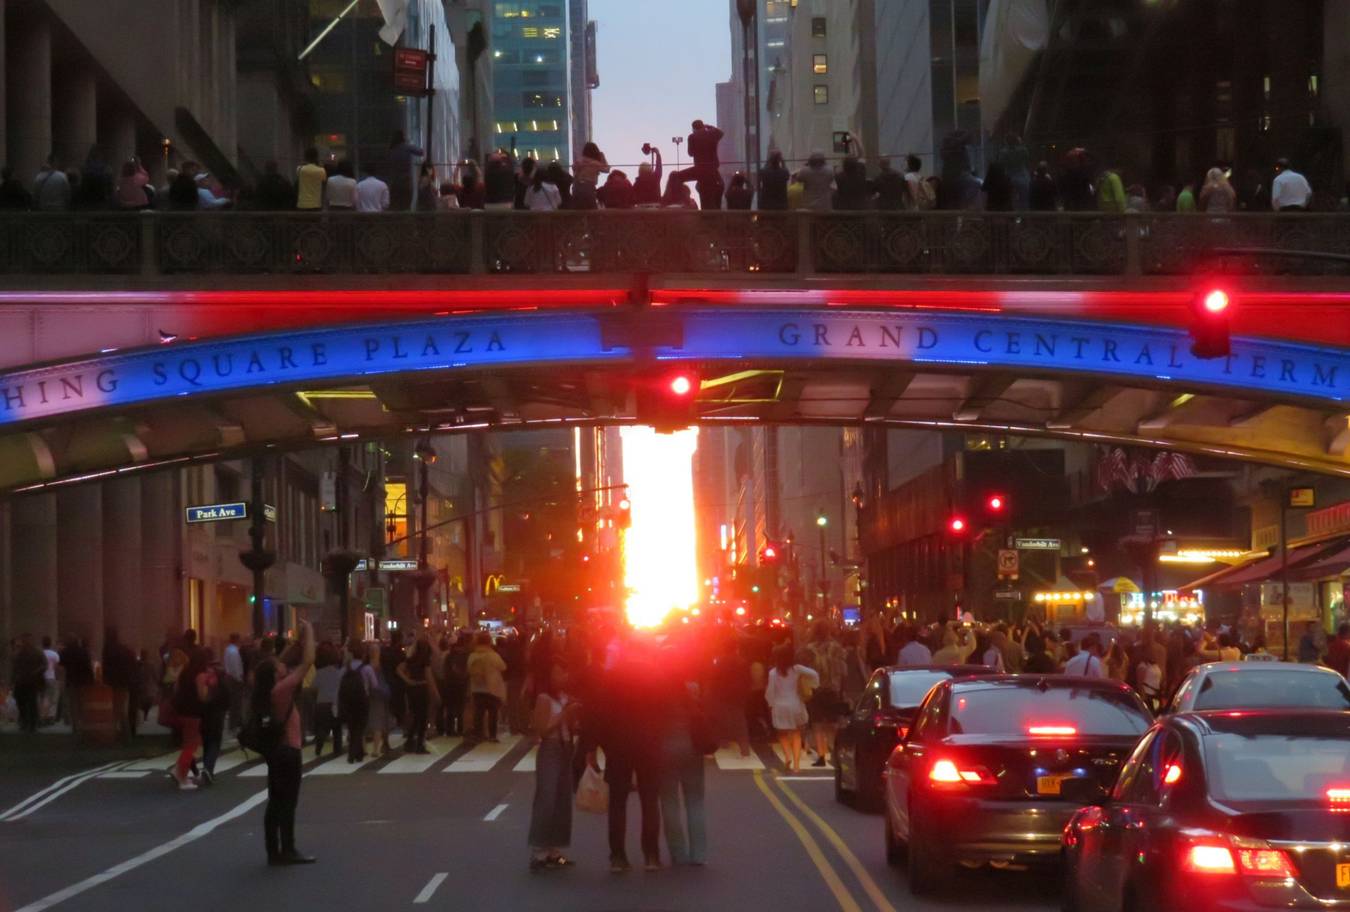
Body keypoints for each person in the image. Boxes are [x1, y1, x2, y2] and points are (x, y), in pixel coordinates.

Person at [255, 618, 316, 865]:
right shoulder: (281, 691)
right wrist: (310, 632)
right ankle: (288, 848)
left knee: (275, 800)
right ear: (274, 675)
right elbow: (307, 662)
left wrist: (297, 641)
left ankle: (273, 850)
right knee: (288, 802)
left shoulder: (267, 690)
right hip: (288, 750)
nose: (282, 666)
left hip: (275, 751)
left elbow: (284, 660)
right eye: (278, 667)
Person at [527, 654, 578, 871]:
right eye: (558, 672)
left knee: (562, 800)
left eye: (565, 672)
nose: (563, 676)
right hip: (551, 748)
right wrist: (563, 716)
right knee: (546, 799)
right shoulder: (544, 698)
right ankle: (539, 850)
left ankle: (555, 850)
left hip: (567, 748)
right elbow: (541, 729)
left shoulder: (567, 697)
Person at [659, 655, 708, 867]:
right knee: (695, 801)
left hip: (666, 749)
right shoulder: (693, 688)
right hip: (692, 748)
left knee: (669, 802)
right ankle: (699, 853)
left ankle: (678, 852)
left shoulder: (657, 692)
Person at [765, 644, 819, 774]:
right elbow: (814, 674)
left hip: (779, 706)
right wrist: (813, 685)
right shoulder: (797, 669)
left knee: (782, 734)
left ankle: (787, 757)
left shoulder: (773, 673)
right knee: (796, 735)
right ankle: (796, 765)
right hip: (795, 704)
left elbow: (770, 691)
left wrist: (770, 703)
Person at [803, 622, 847, 766]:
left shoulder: (809, 649)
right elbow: (843, 670)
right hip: (832, 689)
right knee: (832, 725)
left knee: (817, 724)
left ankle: (821, 756)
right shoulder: (836, 648)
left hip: (816, 689)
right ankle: (834, 754)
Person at [171, 648, 208, 789]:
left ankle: (180, 771)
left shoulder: (185, 671)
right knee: (191, 746)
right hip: (194, 711)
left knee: (189, 743)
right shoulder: (200, 675)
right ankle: (181, 776)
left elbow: (176, 689)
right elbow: (202, 696)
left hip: (182, 710)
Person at [398, 638, 437, 753]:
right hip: (422, 688)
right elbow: (429, 677)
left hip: (412, 689)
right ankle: (420, 744)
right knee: (422, 718)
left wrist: (408, 680)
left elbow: (399, 669)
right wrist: (434, 692)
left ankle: (410, 742)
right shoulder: (425, 661)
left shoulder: (411, 659)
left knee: (415, 716)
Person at [467, 632, 506, 742]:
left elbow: (468, 669)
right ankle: (492, 735)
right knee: (493, 713)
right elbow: (503, 667)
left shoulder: (472, 655)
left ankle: (478, 733)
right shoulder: (493, 655)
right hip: (491, 688)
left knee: (479, 712)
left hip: (476, 688)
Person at [197, 648, 229, 784]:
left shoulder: (203, 676)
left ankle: (206, 768)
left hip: (204, 713)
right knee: (215, 743)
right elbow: (227, 695)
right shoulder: (220, 674)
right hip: (218, 713)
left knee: (206, 741)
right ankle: (208, 769)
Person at [339, 641, 373, 762]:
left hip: (348, 701)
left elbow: (339, 685)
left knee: (352, 726)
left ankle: (357, 753)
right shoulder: (367, 668)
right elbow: (375, 684)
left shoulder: (344, 669)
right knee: (360, 727)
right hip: (363, 700)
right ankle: (354, 753)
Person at [670, 119, 725, 192]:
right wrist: (709, 126)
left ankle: (678, 197)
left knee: (677, 176)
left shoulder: (692, 137)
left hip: (700, 169)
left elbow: (690, 153)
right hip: (713, 169)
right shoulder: (712, 134)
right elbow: (721, 133)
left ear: (693, 128)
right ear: (703, 126)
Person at [312, 643, 343, 758]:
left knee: (323, 727)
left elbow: (313, 687)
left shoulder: (320, 673)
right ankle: (337, 749)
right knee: (337, 728)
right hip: (335, 703)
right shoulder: (339, 673)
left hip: (322, 703)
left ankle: (319, 747)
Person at [12, 634, 46, 734]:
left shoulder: (37, 652)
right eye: (25, 640)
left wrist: (37, 672)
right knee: (21, 701)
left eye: (28, 640)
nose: (26, 642)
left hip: (32, 681)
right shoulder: (18, 653)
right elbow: (14, 668)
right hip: (21, 681)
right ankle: (25, 722)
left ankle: (32, 724)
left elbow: (44, 665)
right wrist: (13, 679)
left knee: (32, 703)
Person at [385, 131, 424, 211]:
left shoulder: (391, 150)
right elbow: (421, 152)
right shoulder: (406, 147)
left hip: (394, 183)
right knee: (406, 206)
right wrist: (410, 143)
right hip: (406, 182)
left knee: (395, 207)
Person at [366, 642, 391, 757]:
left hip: (370, 694)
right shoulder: (379, 664)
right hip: (380, 694)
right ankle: (377, 748)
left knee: (372, 720)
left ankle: (369, 747)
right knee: (379, 721)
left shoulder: (367, 665)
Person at [571, 142, 610, 210]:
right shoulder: (595, 163)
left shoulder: (579, 161)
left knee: (577, 210)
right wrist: (603, 157)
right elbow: (607, 170)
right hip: (589, 188)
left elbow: (574, 168)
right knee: (591, 211)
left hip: (577, 187)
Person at [997, 133, 1032, 209]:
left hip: (1009, 177)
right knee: (1024, 198)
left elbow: (1001, 165)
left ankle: (1012, 216)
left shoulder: (1003, 152)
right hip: (1023, 176)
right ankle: (1025, 216)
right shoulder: (1023, 150)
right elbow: (1027, 162)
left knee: (1011, 198)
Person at [223, 633, 245, 731]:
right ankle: (234, 725)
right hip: (235, 680)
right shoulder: (234, 652)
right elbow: (236, 667)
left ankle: (233, 725)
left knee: (233, 703)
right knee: (236, 703)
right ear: (236, 639)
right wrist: (239, 679)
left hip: (229, 678)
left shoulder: (228, 650)